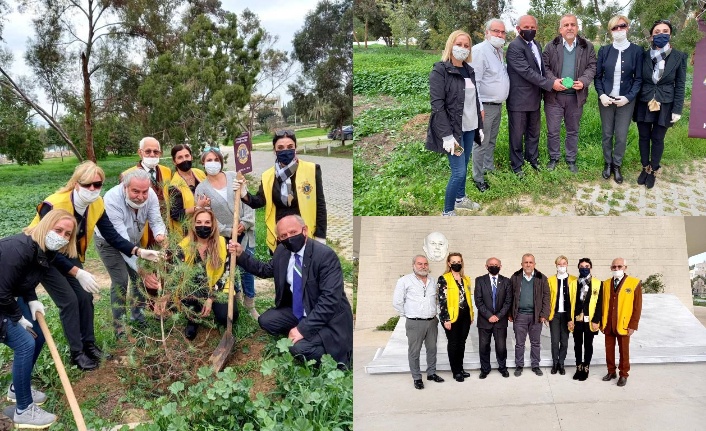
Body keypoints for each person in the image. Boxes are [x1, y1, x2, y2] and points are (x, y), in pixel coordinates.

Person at [27, 161, 160, 370]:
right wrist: (77, 272)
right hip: (41, 254)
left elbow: (112, 236)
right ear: (76, 182)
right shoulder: (54, 203)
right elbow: (45, 244)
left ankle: (89, 344)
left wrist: (138, 251)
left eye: (97, 185)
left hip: (68, 253)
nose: (92, 189)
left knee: (85, 297)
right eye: (87, 184)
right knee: (70, 301)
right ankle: (77, 353)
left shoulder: (97, 204)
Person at [233, 215, 352, 367]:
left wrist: (303, 329)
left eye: (293, 232)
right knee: (266, 321)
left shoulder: (325, 256)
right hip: (300, 310)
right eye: (283, 235)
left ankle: (335, 352)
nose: (289, 238)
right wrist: (241, 255)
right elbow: (265, 270)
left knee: (299, 349)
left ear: (305, 230)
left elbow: (330, 301)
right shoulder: (283, 251)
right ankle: (306, 335)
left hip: (328, 319)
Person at [1, 209, 77, 429]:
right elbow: (2, 290)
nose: (62, 236)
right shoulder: (18, 249)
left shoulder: (45, 250)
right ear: (45, 226)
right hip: (2, 299)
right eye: (58, 230)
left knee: (38, 335)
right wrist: (17, 317)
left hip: (6, 297)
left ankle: (18, 388)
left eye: (67, 234)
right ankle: (24, 410)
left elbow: (24, 280)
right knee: (25, 343)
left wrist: (32, 299)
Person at [94, 169, 166, 337]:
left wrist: (160, 235)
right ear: (125, 187)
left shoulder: (151, 195)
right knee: (121, 280)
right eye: (135, 191)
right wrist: (143, 270)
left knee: (138, 281)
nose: (140, 196)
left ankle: (137, 317)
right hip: (110, 242)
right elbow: (121, 242)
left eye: (144, 192)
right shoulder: (112, 200)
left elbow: (156, 220)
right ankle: (119, 328)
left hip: (134, 242)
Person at [234, 130, 327, 252]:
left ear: (295, 148)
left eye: (290, 147)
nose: (285, 151)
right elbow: (259, 201)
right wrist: (243, 193)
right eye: (281, 147)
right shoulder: (268, 176)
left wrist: (320, 235)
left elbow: (320, 205)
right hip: (280, 235)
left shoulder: (311, 169)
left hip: (304, 233)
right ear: (275, 150)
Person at [195, 147, 258, 319]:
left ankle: (250, 303)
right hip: (224, 236)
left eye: (215, 159)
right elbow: (207, 217)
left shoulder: (233, 176)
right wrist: (229, 230)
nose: (212, 163)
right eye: (208, 160)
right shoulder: (201, 189)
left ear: (221, 161)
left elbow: (247, 199)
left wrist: (244, 224)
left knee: (247, 269)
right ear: (203, 163)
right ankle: (236, 297)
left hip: (244, 231)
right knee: (230, 269)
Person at [425, 29, 484, 216]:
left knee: (464, 166)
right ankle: (447, 212)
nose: (463, 48)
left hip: (469, 129)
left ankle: (460, 199)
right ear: (451, 45)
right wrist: (447, 136)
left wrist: (479, 127)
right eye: (459, 44)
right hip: (454, 133)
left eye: (466, 45)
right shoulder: (440, 70)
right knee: (458, 172)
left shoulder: (469, 70)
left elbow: (474, 100)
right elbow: (437, 106)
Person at [634, 19, 688, 189]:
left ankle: (654, 170)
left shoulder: (679, 57)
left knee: (658, 138)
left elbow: (680, 84)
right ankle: (645, 167)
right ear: (651, 36)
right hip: (644, 101)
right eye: (657, 32)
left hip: (666, 103)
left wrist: (677, 109)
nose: (661, 35)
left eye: (665, 31)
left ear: (670, 34)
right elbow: (638, 79)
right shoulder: (643, 55)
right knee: (644, 137)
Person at [542, 14, 597, 173]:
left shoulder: (587, 46)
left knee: (573, 130)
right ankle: (554, 158)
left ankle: (571, 159)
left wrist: (584, 81)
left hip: (576, 97)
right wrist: (553, 82)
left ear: (577, 27)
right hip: (554, 97)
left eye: (573, 24)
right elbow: (545, 68)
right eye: (566, 25)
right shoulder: (551, 46)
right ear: (560, 29)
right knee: (553, 130)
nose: (570, 27)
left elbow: (592, 67)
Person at [594, 15, 643, 184]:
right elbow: (598, 76)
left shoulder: (637, 51)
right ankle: (607, 163)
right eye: (615, 28)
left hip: (625, 101)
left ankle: (617, 165)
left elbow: (638, 79)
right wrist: (601, 94)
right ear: (611, 31)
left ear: (627, 27)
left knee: (621, 135)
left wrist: (628, 97)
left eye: (622, 26)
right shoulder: (604, 50)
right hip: (606, 99)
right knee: (607, 134)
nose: (619, 30)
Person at [177, 208, 239, 340]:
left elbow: (227, 273)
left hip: (218, 287)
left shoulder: (223, 243)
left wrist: (211, 298)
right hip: (195, 288)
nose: (203, 226)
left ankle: (214, 308)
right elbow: (176, 273)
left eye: (207, 222)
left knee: (227, 316)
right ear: (193, 225)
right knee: (189, 291)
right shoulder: (184, 246)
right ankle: (193, 319)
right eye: (198, 222)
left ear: (213, 225)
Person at [506, 15, 554, 178]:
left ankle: (532, 159)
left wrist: (550, 80)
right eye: (526, 27)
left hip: (534, 97)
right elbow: (526, 71)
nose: (530, 30)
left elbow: (540, 69)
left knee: (534, 132)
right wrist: (549, 84)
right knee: (517, 134)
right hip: (518, 99)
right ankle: (517, 165)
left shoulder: (536, 44)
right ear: (518, 29)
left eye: (532, 27)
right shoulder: (514, 47)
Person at [470, 19, 510, 192]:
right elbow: (474, 82)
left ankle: (488, 168)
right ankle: (478, 178)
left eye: (502, 32)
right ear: (486, 32)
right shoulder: (480, 51)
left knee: (491, 140)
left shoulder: (499, 51)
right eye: (496, 31)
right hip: (484, 106)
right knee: (480, 143)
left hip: (496, 105)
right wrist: (479, 108)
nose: (499, 35)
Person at [393, 255, 443, 389]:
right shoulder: (404, 281)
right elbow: (397, 302)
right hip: (415, 322)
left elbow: (437, 300)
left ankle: (431, 373)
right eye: (420, 264)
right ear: (413, 265)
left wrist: (436, 312)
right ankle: (417, 378)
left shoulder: (433, 281)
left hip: (432, 321)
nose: (423, 266)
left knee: (432, 349)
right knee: (414, 351)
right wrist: (408, 315)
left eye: (425, 264)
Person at [120, 137, 172, 247]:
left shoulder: (166, 171)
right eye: (148, 151)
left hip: (164, 226)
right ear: (140, 152)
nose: (152, 155)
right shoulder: (127, 175)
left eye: (156, 151)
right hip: (141, 228)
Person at [601, 257, 642, 386]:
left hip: (624, 324)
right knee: (609, 350)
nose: (616, 269)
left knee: (624, 351)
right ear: (611, 268)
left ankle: (623, 374)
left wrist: (633, 325)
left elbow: (637, 306)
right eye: (614, 267)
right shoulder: (606, 283)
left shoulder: (634, 283)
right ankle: (611, 371)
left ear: (625, 267)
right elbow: (602, 304)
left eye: (619, 266)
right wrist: (602, 322)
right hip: (608, 323)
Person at [509, 253, 550, 376]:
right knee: (519, 343)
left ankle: (535, 365)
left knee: (535, 343)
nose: (528, 264)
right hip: (519, 315)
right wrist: (510, 313)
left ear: (534, 264)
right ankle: (519, 365)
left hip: (536, 316)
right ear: (521, 264)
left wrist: (544, 314)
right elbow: (509, 296)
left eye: (530, 262)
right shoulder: (515, 277)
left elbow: (546, 297)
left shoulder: (541, 278)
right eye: (525, 262)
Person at [438, 252, 474, 382]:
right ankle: (456, 371)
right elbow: (442, 300)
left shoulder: (466, 279)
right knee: (453, 343)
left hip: (465, 315)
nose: (456, 264)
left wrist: (471, 315)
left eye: (459, 262)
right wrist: (445, 318)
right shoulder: (444, 278)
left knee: (462, 343)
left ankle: (461, 368)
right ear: (449, 263)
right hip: (451, 316)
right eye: (453, 262)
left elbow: (469, 298)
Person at [474, 257, 512, 378]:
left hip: (500, 321)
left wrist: (498, 316)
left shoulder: (506, 281)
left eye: (496, 264)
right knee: (484, 346)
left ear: (500, 267)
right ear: (486, 266)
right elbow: (478, 300)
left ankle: (502, 367)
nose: (493, 266)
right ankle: (485, 369)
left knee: (501, 347)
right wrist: (489, 315)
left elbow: (508, 301)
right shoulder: (480, 280)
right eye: (491, 264)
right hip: (484, 320)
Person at [568, 258, 602, 381]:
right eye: (581, 266)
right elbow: (569, 303)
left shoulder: (598, 283)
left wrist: (596, 320)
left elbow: (599, 304)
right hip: (576, 319)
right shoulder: (573, 284)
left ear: (590, 267)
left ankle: (586, 367)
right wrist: (569, 319)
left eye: (587, 266)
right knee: (577, 344)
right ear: (578, 267)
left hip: (590, 320)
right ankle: (579, 367)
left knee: (588, 344)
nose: (584, 268)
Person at [168, 143, 208, 238]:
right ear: (174, 161)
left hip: (206, 226)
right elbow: (175, 214)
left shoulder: (200, 173)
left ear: (191, 157)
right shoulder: (174, 185)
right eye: (180, 157)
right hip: (186, 232)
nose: (184, 159)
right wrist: (197, 207)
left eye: (187, 156)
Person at [547, 255, 575, 375]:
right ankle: (555, 363)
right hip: (555, 314)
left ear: (567, 265)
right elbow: (547, 299)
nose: (562, 266)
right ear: (556, 265)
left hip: (567, 316)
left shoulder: (574, 280)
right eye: (560, 264)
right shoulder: (550, 280)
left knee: (564, 341)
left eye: (564, 263)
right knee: (554, 340)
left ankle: (561, 363)